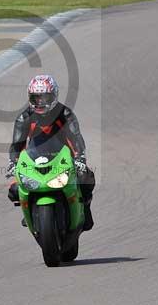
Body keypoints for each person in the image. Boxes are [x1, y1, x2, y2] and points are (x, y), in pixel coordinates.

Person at [6, 74, 95, 231]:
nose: (40, 102)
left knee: (86, 177)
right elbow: (16, 144)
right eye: (36, 98)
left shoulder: (65, 114)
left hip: (62, 156)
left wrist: (80, 157)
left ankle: (85, 207)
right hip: (35, 157)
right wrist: (13, 162)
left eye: (45, 97)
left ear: (54, 96)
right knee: (14, 189)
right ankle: (31, 209)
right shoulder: (24, 117)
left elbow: (76, 138)